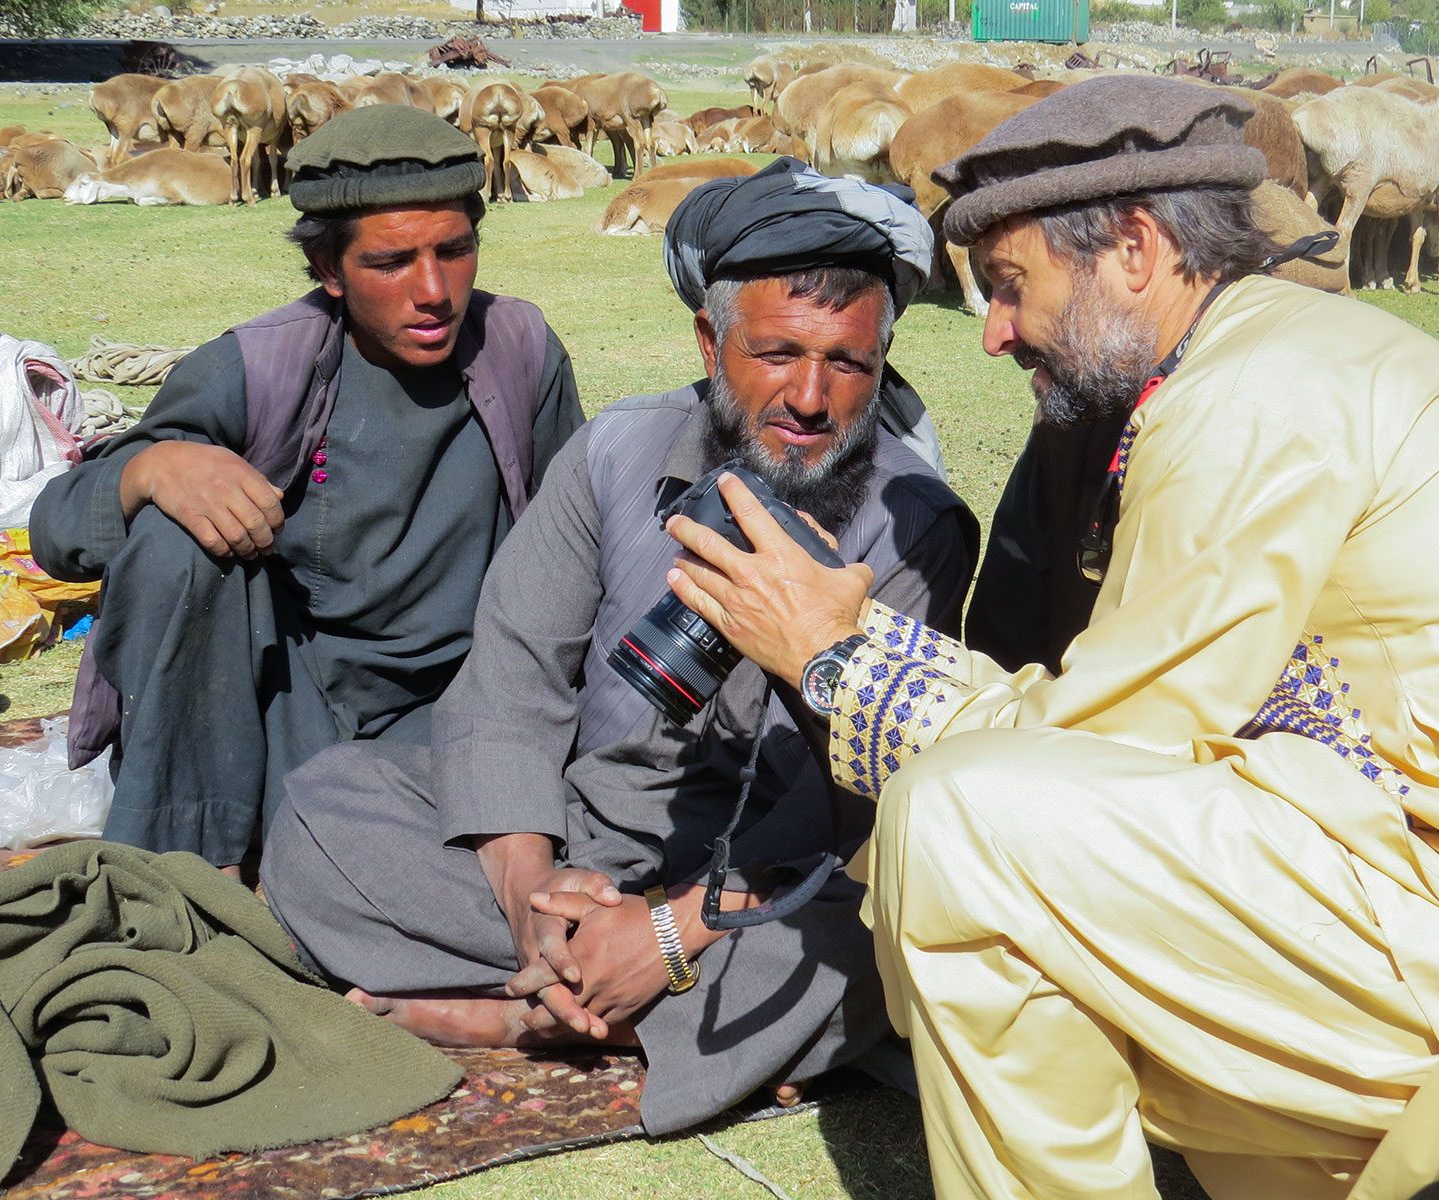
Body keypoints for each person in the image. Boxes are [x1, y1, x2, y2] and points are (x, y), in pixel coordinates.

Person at [657, 79, 1439, 1200]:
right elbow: (1135, 732)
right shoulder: (1258, 359)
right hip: (1412, 887)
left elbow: (1104, 750)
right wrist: (858, 650)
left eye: (1010, 287)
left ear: (1137, 248)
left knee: (959, 827)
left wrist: (835, 657)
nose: (995, 332)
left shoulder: (1257, 395)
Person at [257, 160, 977, 1134]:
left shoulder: (917, 518)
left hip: (767, 878)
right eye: (774, 353)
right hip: (582, 836)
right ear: (710, 343)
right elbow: (509, 687)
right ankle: (578, 984)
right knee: (322, 805)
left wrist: (673, 931)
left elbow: (860, 805)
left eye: (846, 364)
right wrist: (531, 897)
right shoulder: (616, 453)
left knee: (887, 933)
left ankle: (523, 1014)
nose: (809, 396)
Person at [28, 105, 584, 876]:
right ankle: (189, 866)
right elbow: (57, 533)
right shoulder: (257, 368)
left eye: (454, 251)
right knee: (169, 538)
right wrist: (149, 469)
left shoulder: (520, 350)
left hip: (460, 705)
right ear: (329, 270)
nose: (433, 290)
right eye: (391, 263)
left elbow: (579, 546)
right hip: (293, 704)